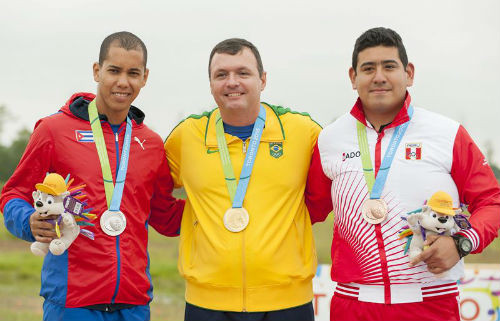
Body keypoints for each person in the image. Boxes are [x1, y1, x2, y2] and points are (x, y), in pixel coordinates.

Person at [314, 27, 500, 321]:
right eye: (368, 68)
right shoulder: (329, 140)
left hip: (431, 303)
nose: (378, 76)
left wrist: (462, 243)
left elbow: (492, 201)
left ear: (409, 73)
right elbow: (305, 209)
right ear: (353, 77)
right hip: (352, 305)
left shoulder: (447, 133)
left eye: (389, 66)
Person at [0, 31, 184, 321]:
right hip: (72, 303)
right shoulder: (53, 130)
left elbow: (164, 214)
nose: (123, 82)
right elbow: (13, 194)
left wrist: (213, 203)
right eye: (114, 70)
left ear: (145, 77)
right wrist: (28, 221)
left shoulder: (150, 143)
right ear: (97, 71)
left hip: (133, 303)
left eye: (133, 73)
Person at [164, 38, 332, 321]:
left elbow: (330, 193)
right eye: (221, 75)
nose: (232, 82)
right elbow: (150, 193)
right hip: (207, 302)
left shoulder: (303, 132)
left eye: (243, 73)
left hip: (288, 302)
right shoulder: (187, 136)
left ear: (263, 79)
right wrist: (193, 222)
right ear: (210, 84)